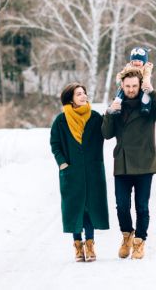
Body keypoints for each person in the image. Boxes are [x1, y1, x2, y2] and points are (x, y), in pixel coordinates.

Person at [102, 68, 156, 260]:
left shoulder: (147, 104)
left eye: (134, 86)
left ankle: (140, 241)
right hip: (123, 164)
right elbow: (106, 134)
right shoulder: (117, 104)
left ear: (140, 85)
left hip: (145, 163)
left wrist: (152, 92)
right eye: (128, 86)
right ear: (122, 86)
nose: (131, 89)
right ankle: (127, 235)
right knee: (121, 206)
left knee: (142, 207)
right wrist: (109, 112)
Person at [50, 82, 109, 262]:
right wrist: (62, 163)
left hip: (93, 171)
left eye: (84, 93)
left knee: (90, 207)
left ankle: (90, 244)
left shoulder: (95, 118)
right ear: (71, 99)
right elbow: (55, 144)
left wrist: (111, 116)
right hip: (72, 172)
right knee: (75, 208)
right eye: (78, 94)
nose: (83, 96)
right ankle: (77, 246)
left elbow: (107, 132)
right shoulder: (61, 121)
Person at [110, 46, 154, 115]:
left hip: (141, 85)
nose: (137, 63)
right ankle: (117, 106)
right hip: (128, 85)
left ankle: (145, 107)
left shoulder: (146, 68)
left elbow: (147, 76)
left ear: (144, 62)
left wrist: (145, 83)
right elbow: (120, 74)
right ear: (131, 61)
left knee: (145, 94)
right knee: (120, 92)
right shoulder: (128, 67)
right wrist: (119, 81)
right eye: (135, 61)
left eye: (139, 61)